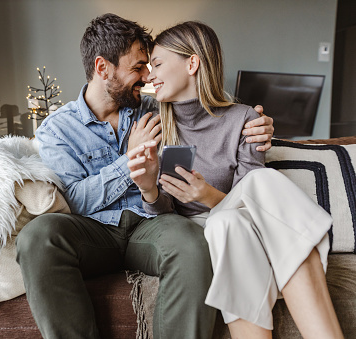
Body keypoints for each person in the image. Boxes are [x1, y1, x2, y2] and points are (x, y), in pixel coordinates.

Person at [16, 14, 274, 339]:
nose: (147, 75)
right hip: (93, 231)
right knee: (37, 236)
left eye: (150, 66)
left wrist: (255, 123)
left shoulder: (155, 107)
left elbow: (208, 110)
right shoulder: (57, 129)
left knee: (193, 246)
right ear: (102, 68)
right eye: (138, 67)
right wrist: (129, 161)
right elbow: (75, 201)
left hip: (152, 223)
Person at [127, 21, 344, 339]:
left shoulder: (245, 119)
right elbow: (164, 218)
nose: (149, 75)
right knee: (248, 197)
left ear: (192, 62)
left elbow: (249, 202)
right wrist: (147, 186)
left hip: (240, 224)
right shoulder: (156, 126)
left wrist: (206, 194)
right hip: (196, 233)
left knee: (235, 213)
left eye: (157, 63)